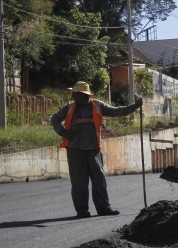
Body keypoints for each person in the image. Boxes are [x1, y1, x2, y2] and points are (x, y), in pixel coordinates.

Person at [50, 81, 143, 218]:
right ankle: (82, 211)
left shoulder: (97, 105)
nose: (74, 96)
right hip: (75, 150)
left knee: (99, 179)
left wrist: (134, 106)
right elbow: (55, 119)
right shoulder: (69, 107)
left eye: (76, 93)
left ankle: (104, 208)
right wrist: (62, 132)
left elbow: (117, 111)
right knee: (78, 182)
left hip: (93, 150)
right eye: (74, 93)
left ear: (83, 94)